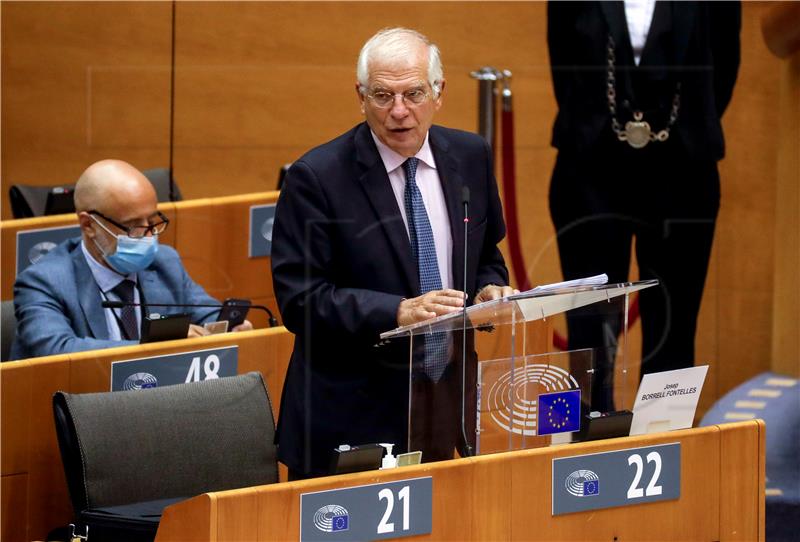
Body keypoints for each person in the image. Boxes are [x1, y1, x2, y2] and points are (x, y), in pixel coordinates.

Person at [271, 27, 514, 479]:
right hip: (353, 413)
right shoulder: (317, 178)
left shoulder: (471, 156)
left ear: (438, 93)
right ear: (360, 96)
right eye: (382, 96)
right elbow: (300, 300)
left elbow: (485, 255)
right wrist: (396, 311)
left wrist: (488, 288)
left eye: (413, 94)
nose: (399, 112)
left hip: (445, 402)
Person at [547, 1, 741, 410]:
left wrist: (677, 126)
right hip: (590, 168)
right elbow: (563, 59)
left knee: (675, 327)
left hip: (684, 167)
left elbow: (723, 64)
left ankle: (663, 444)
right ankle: (581, 447)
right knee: (587, 325)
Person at [10, 159, 252, 360]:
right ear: (89, 225)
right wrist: (151, 348)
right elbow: (57, 352)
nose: (148, 235)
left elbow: (207, 315)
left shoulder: (164, 263)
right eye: (131, 226)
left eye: (152, 221)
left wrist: (229, 329)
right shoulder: (43, 281)